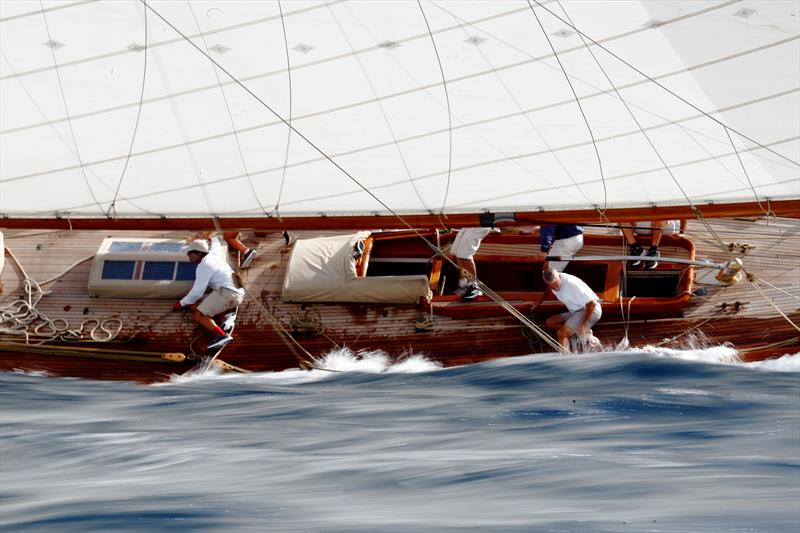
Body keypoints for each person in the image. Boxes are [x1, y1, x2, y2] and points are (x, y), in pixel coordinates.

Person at [174, 235, 245, 351]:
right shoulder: (213, 254)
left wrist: (181, 303)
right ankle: (224, 318)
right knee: (194, 304)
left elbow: (197, 291)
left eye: (189, 253)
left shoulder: (204, 266)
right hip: (234, 291)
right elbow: (216, 244)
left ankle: (222, 336)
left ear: (198, 254)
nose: (187, 255)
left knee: (199, 315)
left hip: (229, 294)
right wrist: (211, 237)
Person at [539, 267, 602, 351]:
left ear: (558, 276)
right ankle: (583, 335)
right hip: (576, 312)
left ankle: (567, 359)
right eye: (551, 285)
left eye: (556, 283)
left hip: (591, 310)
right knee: (550, 323)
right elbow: (548, 290)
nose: (555, 287)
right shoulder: (552, 285)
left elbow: (592, 303)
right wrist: (538, 302)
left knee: (561, 333)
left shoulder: (571, 284)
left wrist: (582, 325)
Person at [450, 227, 499, 300]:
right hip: (469, 225)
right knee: (455, 252)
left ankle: (474, 286)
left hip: (480, 225)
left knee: (464, 254)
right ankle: (464, 284)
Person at [620, 220, 685, 270]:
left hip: (664, 226)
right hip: (641, 225)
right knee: (622, 219)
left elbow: (684, 210)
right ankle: (636, 248)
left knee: (658, 218)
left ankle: (653, 251)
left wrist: (681, 232)